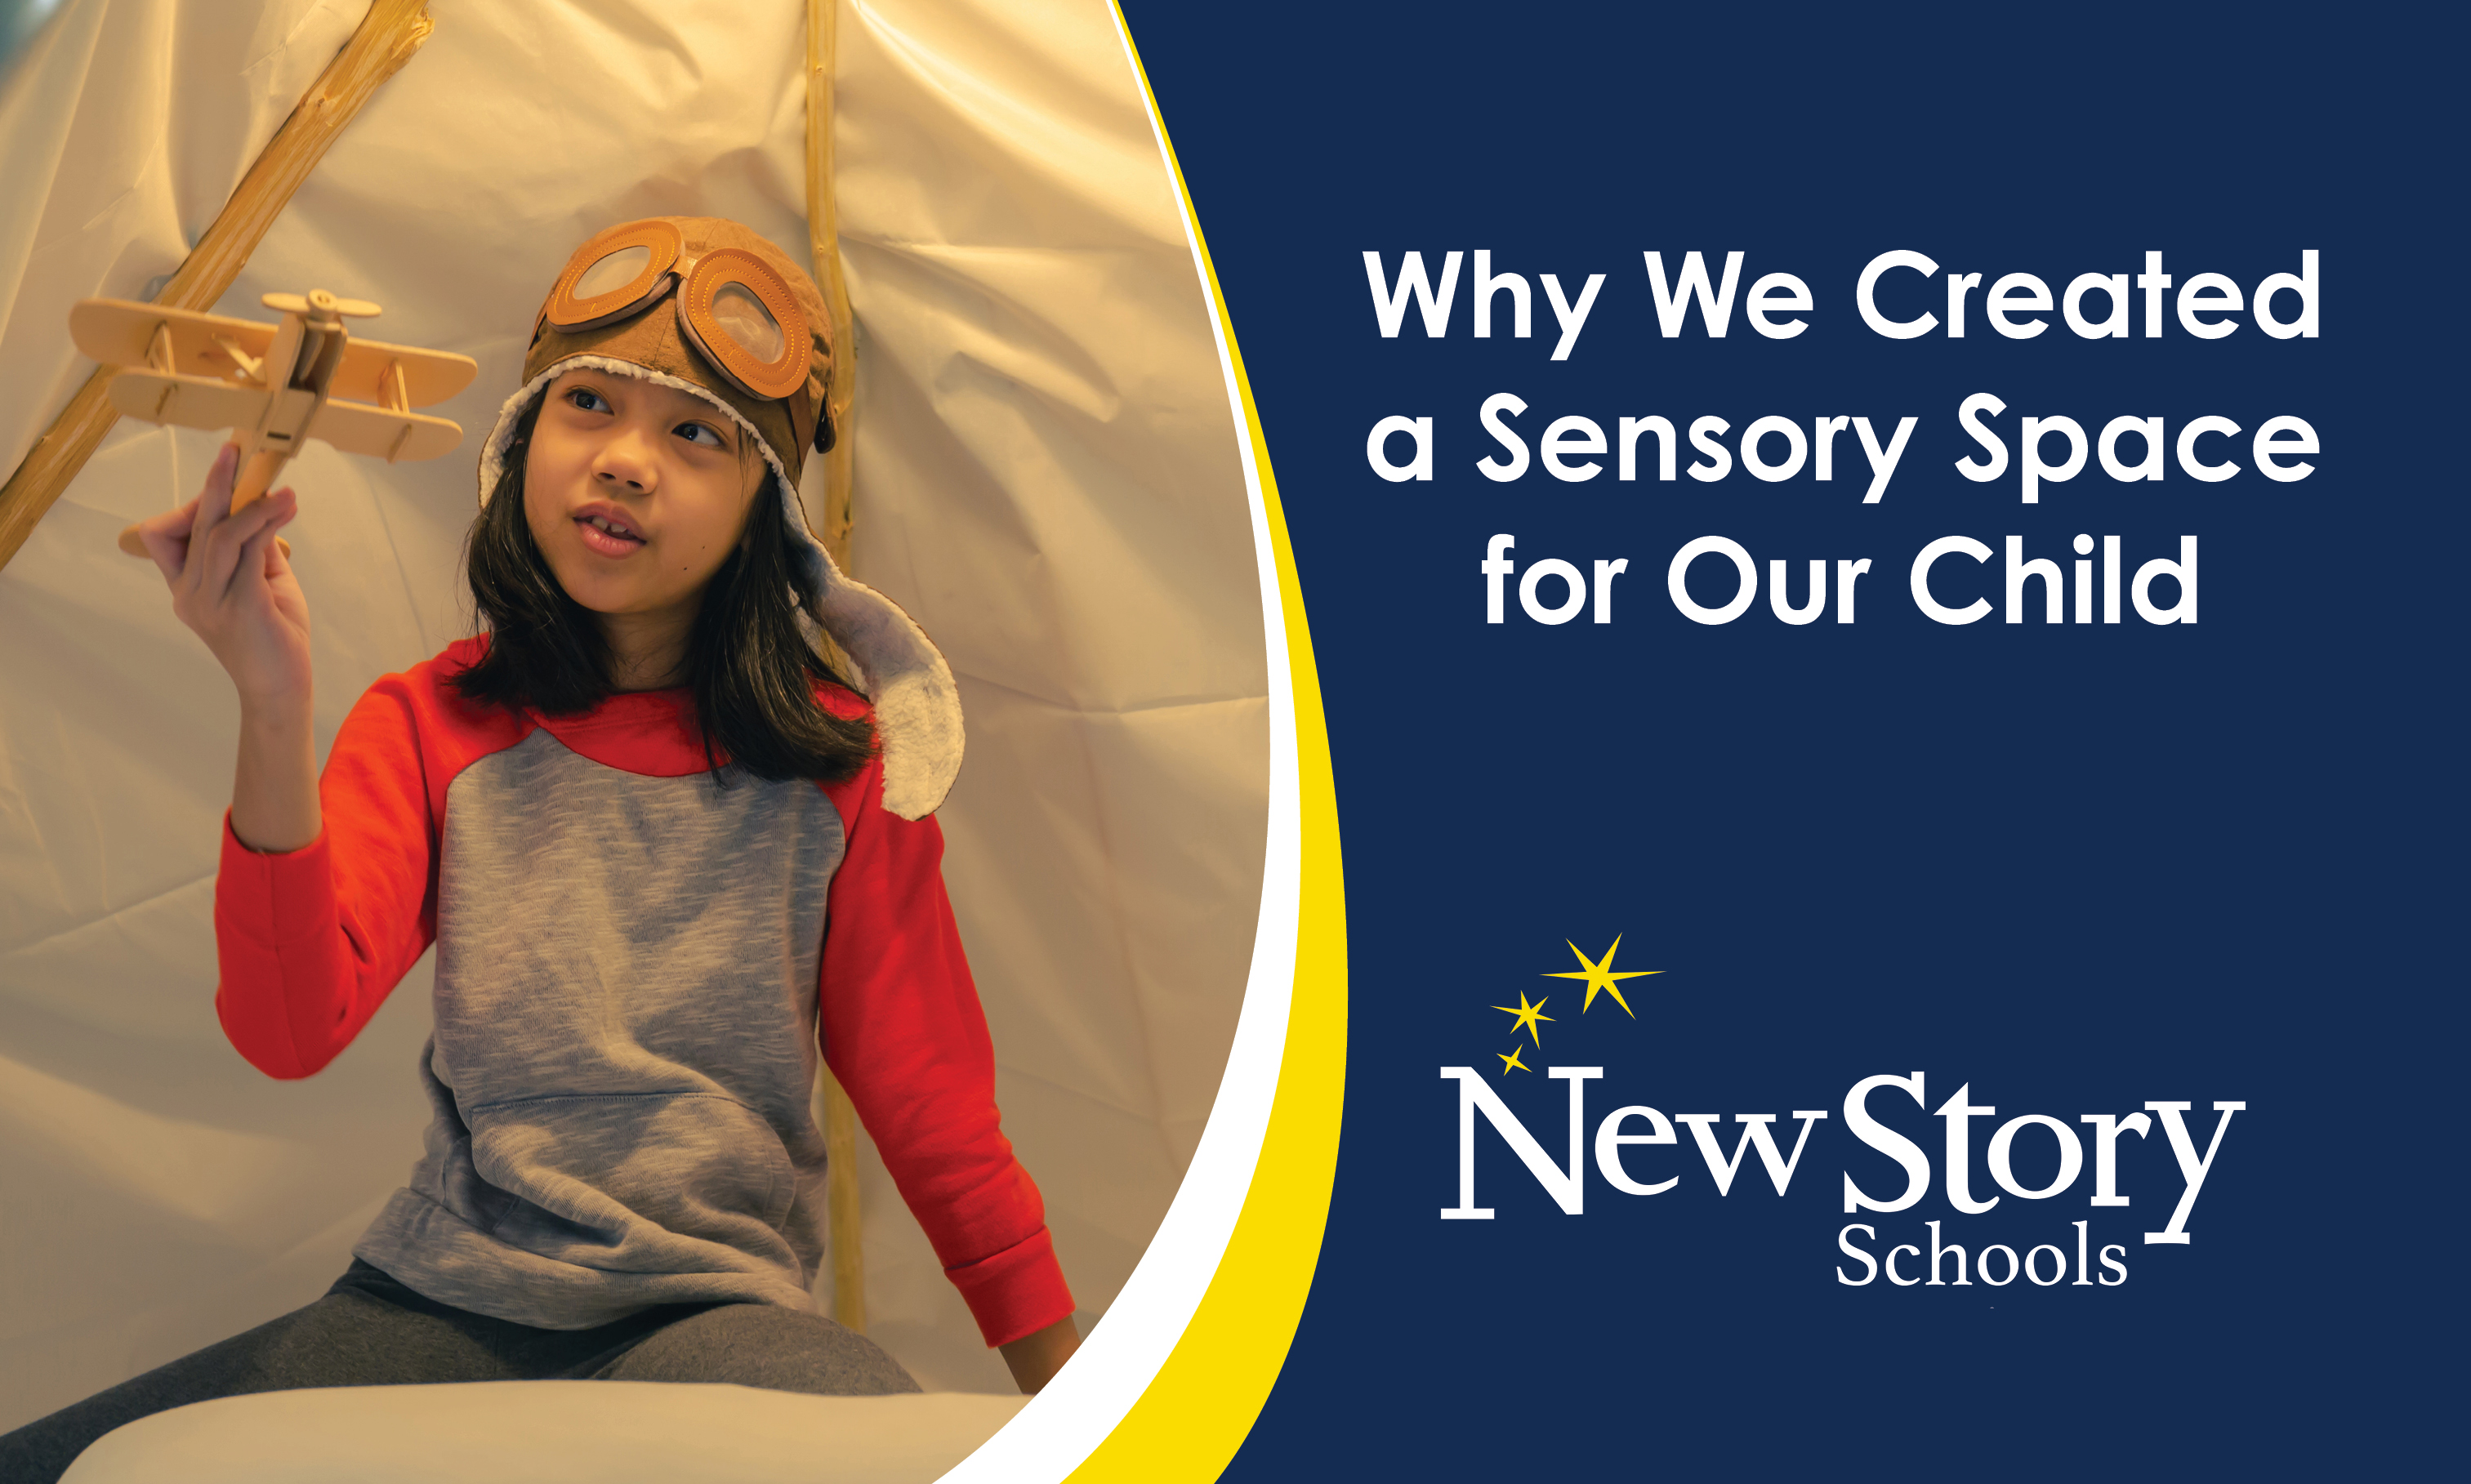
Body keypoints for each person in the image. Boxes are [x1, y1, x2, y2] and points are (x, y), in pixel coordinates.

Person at [0, 217, 1078, 1481]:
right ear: (522, 445)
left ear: (763, 510)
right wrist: (271, 701)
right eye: (586, 404)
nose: (624, 460)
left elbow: (936, 1116)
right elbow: (287, 1030)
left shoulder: (843, 773)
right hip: (432, 1304)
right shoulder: (431, 719)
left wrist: (1084, 1401)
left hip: (712, 1311)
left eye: (694, 434)